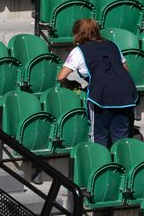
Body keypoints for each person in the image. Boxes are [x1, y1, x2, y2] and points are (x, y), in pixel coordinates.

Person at [57, 18, 139, 149]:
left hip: (101, 97)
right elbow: (126, 69)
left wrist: (75, 87)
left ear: (78, 33)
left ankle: (102, 168)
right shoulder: (113, 45)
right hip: (126, 95)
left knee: (99, 139)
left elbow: (61, 77)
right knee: (121, 141)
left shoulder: (79, 50)